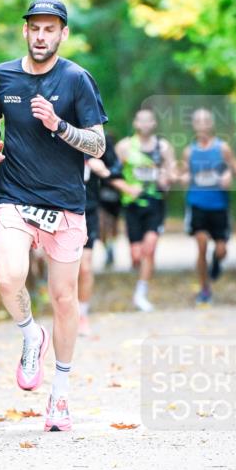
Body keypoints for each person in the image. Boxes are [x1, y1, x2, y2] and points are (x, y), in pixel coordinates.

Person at [0, 0, 108, 432]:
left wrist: (59, 125)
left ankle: (60, 395)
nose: (41, 36)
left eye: (50, 29)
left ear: (62, 34)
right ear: (25, 31)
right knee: (8, 277)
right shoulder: (3, 75)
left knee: (63, 298)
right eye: (35, 28)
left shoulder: (76, 80)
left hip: (65, 203)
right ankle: (30, 333)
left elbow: (98, 144)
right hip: (14, 195)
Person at [115, 108, 176, 312]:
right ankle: (138, 269)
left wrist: (165, 178)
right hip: (132, 205)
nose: (145, 124)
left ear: (154, 123)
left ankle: (141, 293)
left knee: (149, 248)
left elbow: (172, 174)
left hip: (155, 202)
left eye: (149, 120)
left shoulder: (163, 147)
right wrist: (126, 187)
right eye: (141, 120)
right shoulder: (124, 147)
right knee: (136, 254)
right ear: (135, 123)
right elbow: (113, 175)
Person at [181, 107, 236, 303]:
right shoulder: (189, 151)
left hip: (219, 205)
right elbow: (183, 174)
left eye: (205, 121)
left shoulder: (222, 148)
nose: (202, 125)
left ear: (211, 124)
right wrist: (184, 177)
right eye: (198, 121)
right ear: (194, 125)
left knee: (221, 250)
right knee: (201, 245)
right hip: (197, 203)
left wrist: (229, 174)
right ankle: (204, 289)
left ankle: (217, 261)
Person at [77, 152, 122, 336]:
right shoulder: (52, 133)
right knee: (63, 271)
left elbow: (113, 170)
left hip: (88, 210)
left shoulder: (94, 138)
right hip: (58, 210)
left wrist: (101, 168)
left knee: (85, 268)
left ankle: (82, 316)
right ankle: (64, 314)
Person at [98, 132, 122, 269]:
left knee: (113, 225)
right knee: (103, 224)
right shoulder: (98, 156)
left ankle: (111, 248)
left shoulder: (117, 158)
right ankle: (107, 248)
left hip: (115, 196)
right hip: (102, 196)